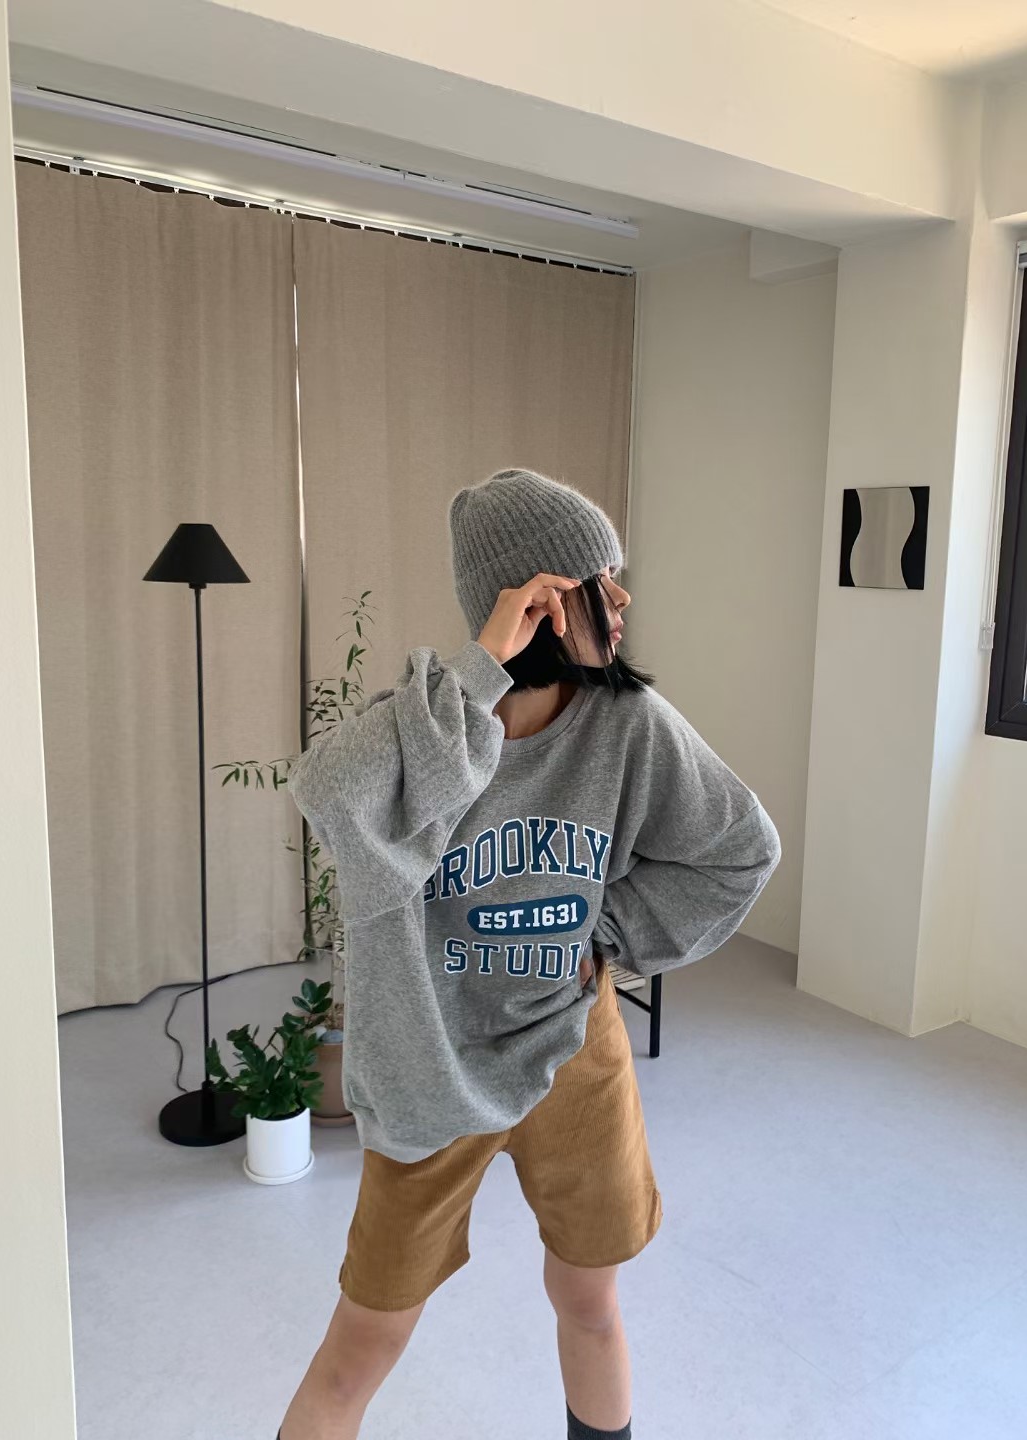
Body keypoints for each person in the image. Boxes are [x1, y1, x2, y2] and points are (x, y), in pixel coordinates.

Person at [280, 468, 781, 1440]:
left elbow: (740, 849)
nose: (624, 599)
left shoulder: (628, 725)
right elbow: (326, 794)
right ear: (541, 603)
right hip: (430, 1069)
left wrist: (611, 932)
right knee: (363, 1344)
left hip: (571, 1050)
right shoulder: (422, 729)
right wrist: (481, 672)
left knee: (590, 1302)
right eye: (601, 579)